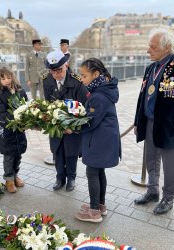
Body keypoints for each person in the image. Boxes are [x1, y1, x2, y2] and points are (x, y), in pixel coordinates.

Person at [133, 28, 174, 215]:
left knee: (170, 165)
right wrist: (138, 121)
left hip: (170, 127)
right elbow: (142, 97)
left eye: (152, 47)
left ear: (167, 47)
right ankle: (152, 191)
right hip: (149, 123)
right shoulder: (150, 68)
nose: (148, 50)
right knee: (151, 160)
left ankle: (168, 198)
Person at [73, 58, 121, 223]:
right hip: (104, 141)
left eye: (84, 75)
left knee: (92, 173)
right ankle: (100, 205)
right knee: (99, 172)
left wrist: (73, 127)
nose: (82, 79)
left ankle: (94, 211)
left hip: (98, 142)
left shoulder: (98, 96)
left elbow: (91, 122)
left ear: (96, 74)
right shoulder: (104, 90)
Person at [43, 50, 88, 192]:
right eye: (52, 71)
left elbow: (82, 107)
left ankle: (71, 178)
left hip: (72, 125)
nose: (56, 74)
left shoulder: (77, 82)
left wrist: (70, 125)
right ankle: (59, 177)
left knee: (71, 153)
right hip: (56, 125)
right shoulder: (47, 80)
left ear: (66, 65)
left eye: (59, 70)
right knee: (57, 152)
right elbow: (48, 104)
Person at [0, 67, 28, 193]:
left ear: (13, 77)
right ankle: (9, 179)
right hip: (7, 129)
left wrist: (27, 119)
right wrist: (15, 119)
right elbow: (1, 113)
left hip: (19, 130)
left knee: (18, 155)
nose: (6, 80)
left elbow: (26, 107)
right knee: (9, 156)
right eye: (3, 78)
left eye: (8, 77)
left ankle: (15, 175)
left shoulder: (20, 91)